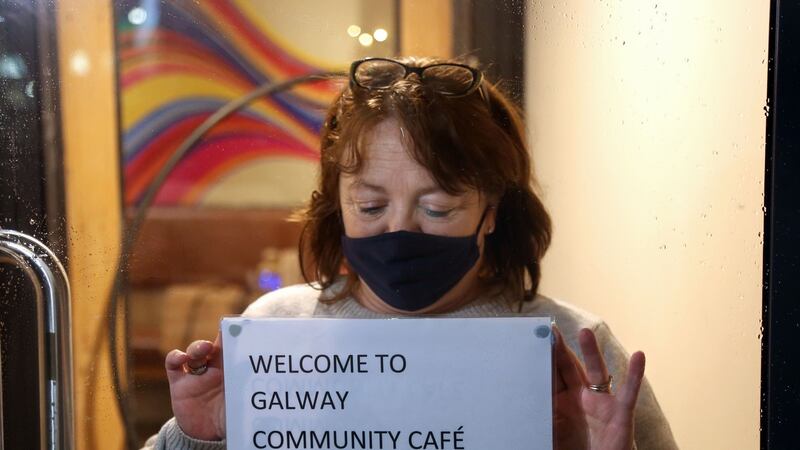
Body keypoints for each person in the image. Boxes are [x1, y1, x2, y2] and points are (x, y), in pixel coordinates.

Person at [143, 57, 678, 449]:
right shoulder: (275, 332)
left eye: (438, 209)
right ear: (337, 205)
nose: (400, 231)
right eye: (371, 207)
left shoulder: (574, 354)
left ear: (490, 211)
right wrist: (196, 434)